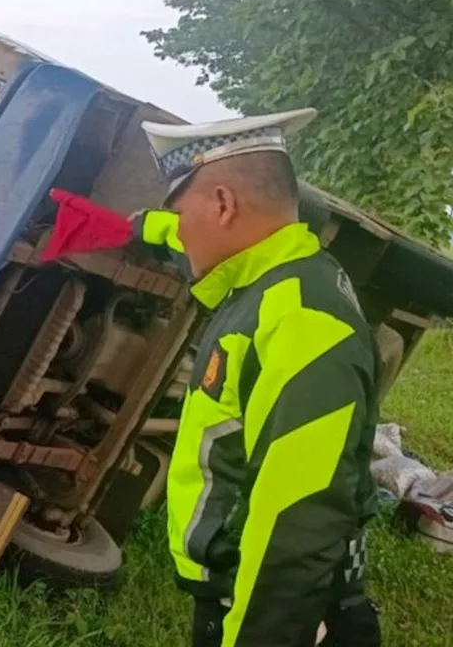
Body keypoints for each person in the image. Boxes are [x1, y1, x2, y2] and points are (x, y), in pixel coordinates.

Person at [132, 109, 382, 647]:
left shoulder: (300, 320)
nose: (177, 233)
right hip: (235, 597)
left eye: (177, 214)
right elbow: (176, 237)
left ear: (223, 204)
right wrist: (129, 226)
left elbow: (296, 525)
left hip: (282, 616)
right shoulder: (273, 274)